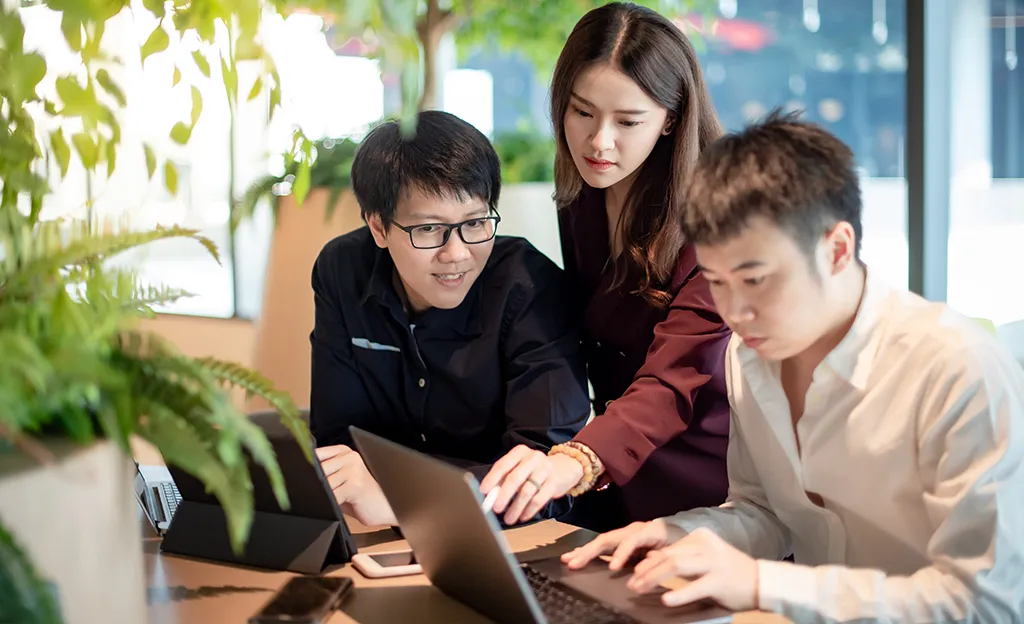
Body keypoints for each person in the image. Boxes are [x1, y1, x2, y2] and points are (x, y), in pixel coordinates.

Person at [560, 111, 1024, 621]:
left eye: (755, 280)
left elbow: (986, 603)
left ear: (837, 249)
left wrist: (765, 584)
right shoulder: (749, 355)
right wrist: (678, 535)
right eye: (717, 282)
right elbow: (766, 512)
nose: (735, 312)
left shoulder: (956, 369)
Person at [481, 2, 732, 532]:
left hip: (706, 488)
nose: (599, 141)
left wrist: (577, 459)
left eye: (628, 121)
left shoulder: (719, 224)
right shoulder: (585, 194)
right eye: (582, 112)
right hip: (609, 475)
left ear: (671, 120)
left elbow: (672, 382)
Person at [308, 110, 591, 527]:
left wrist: (405, 502)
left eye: (475, 223)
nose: (456, 253)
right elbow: (338, 439)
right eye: (428, 230)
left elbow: (542, 472)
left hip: (518, 539)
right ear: (379, 228)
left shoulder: (530, 287)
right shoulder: (342, 271)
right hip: (376, 530)